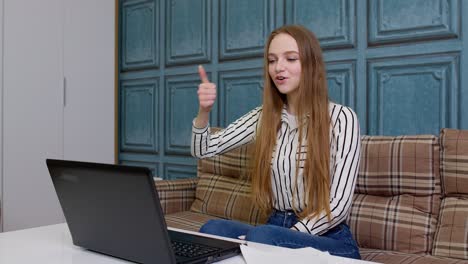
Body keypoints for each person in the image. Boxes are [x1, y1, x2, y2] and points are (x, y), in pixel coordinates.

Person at [191, 24, 361, 259]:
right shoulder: (264, 117)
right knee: (213, 231)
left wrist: (283, 239)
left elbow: (338, 206)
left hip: (327, 237)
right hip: (275, 227)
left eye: (290, 59)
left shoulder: (342, 118)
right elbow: (204, 149)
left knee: (263, 238)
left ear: (310, 64)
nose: (278, 68)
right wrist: (204, 111)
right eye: (272, 60)